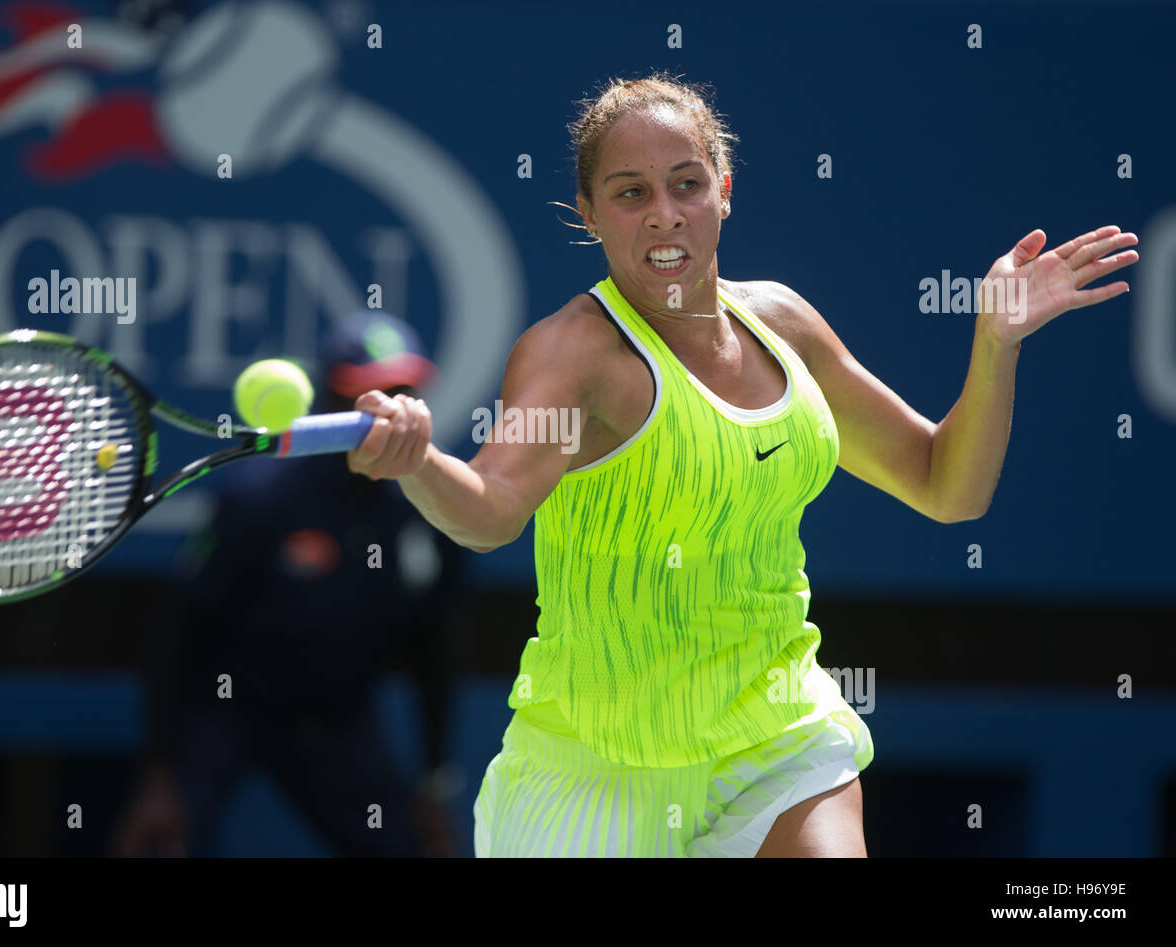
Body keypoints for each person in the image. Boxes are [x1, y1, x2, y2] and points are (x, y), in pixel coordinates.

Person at [342, 71, 1139, 857]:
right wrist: (420, 462)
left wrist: (995, 344)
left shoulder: (785, 324)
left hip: (775, 730)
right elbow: (491, 509)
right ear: (588, 215)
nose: (665, 216)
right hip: (592, 770)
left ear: (723, 189)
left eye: (686, 184)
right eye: (630, 194)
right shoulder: (574, 354)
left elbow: (945, 486)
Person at [112, 310, 467, 858]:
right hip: (227, 709)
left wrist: (432, 785)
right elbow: (179, 627)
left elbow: (433, 648)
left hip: (338, 721)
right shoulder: (259, 498)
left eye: (404, 393)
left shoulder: (429, 513)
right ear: (331, 399)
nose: (391, 412)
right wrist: (160, 775)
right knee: (163, 846)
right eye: (371, 395)